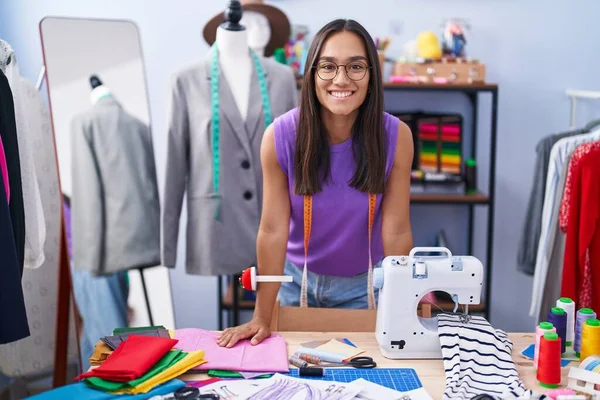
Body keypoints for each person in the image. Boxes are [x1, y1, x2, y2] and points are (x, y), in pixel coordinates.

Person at [217, 18, 414, 348]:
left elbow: (395, 232)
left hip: (366, 287)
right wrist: (262, 316)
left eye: (356, 67)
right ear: (311, 74)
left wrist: (407, 302)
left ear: (371, 76)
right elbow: (272, 231)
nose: (341, 79)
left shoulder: (395, 137)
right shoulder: (280, 137)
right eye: (328, 66)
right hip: (295, 285)